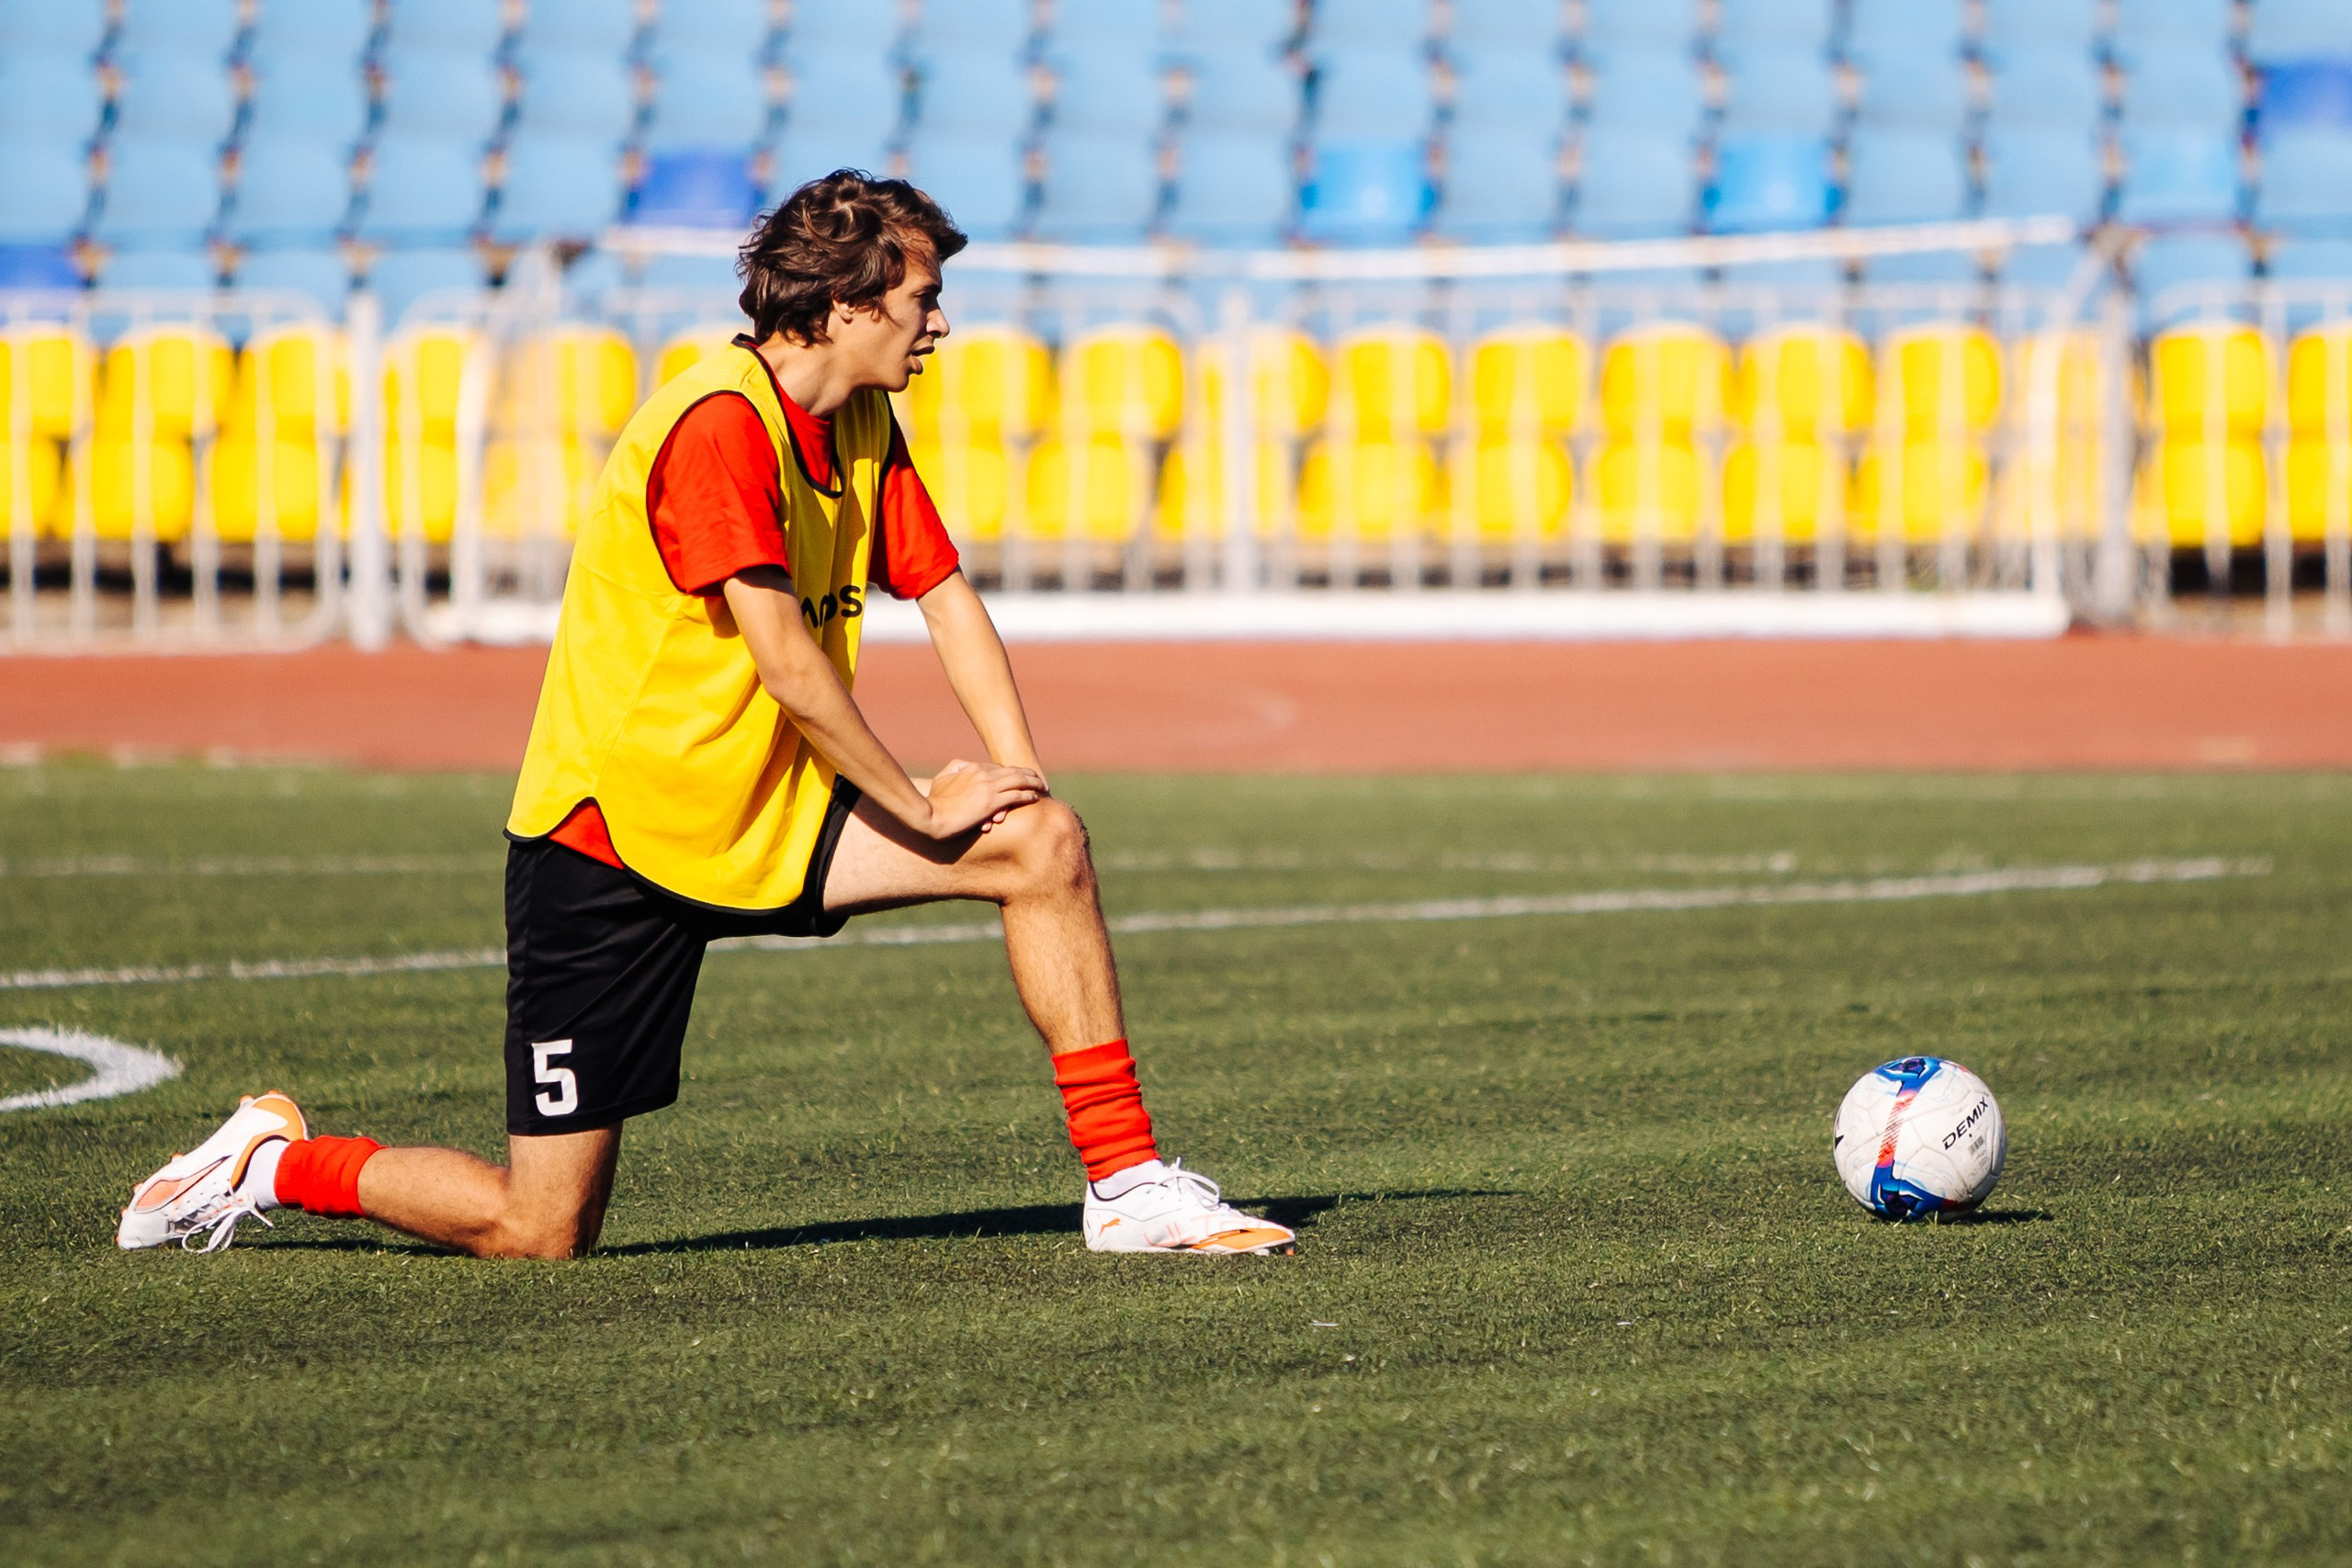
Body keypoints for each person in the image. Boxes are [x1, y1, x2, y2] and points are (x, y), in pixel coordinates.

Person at [117, 172, 1295, 1260]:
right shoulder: (718, 425)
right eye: (923, 298)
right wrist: (921, 806)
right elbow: (787, 665)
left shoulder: (862, 423)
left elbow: (942, 594)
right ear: (841, 306)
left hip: (769, 810)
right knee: (540, 1230)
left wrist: (1015, 775)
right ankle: (272, 1162)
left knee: (1043, 844)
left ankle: (1129, 1187)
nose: (939, 324)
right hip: (610, 843)